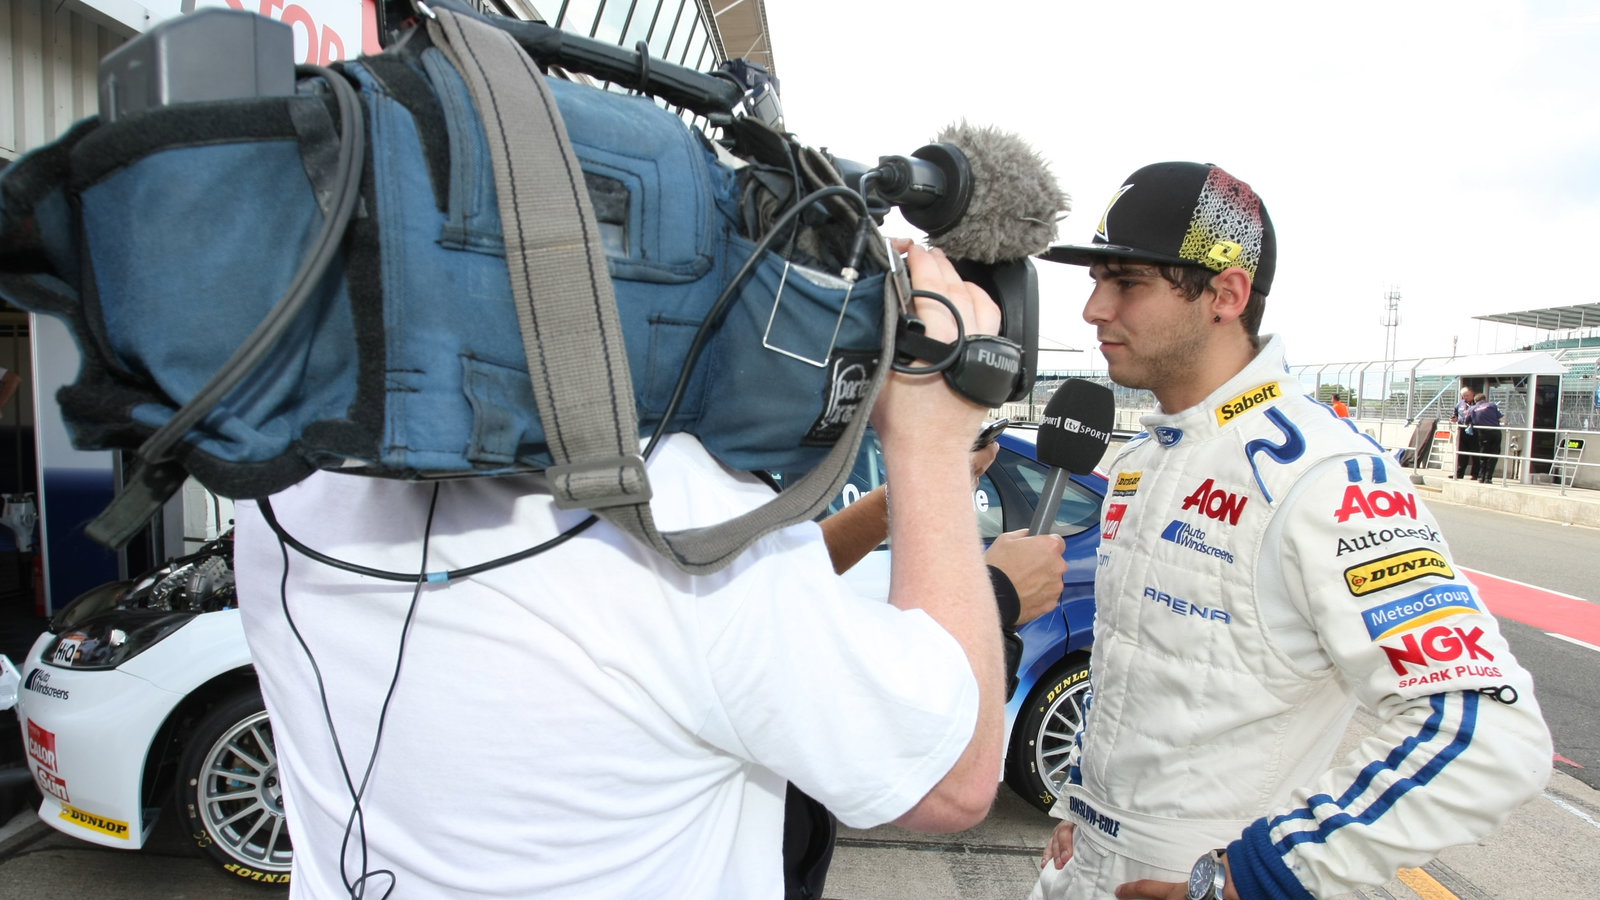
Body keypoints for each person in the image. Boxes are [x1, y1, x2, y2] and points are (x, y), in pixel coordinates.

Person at [231, 241, 1012, 898]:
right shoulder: (683, 507)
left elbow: (708, 639)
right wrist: (932, 447)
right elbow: (951, 779)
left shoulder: (292, 480)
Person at [1029, 162, 1551, 900]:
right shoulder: (1141, 464)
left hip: (1201, 876)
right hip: (1080, 865)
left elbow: (1488, 735)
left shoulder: (1325, 476)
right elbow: (1137, 673)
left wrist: (1256, 879)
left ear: (1226, 294)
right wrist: (1079, 802)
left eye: (1127, 282)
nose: (1092, 309)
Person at [1470, 390, 1504, 483]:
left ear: (1475, 401)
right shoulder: (1492, 405)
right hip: (1495, 432)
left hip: (1482, 433)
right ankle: (1488, 478)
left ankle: (1481, 477)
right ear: (1485, 399)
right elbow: (1502, 419)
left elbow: (1468, 421)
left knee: (1483, 454)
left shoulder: (1472, 409)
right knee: (1493, 455)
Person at [1451, 385, 1477, 478]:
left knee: (1475, 453)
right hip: (1462, 430)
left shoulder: (1478, 403)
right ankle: (1459, 474)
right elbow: (1455, 414)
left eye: (1467, 395)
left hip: (1475, 431)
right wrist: (1454, 419)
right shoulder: (1460, 404)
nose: (1465, 397)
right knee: (1461, 453)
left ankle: (1475, 474)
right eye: (1463, 396)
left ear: (1472, 394)